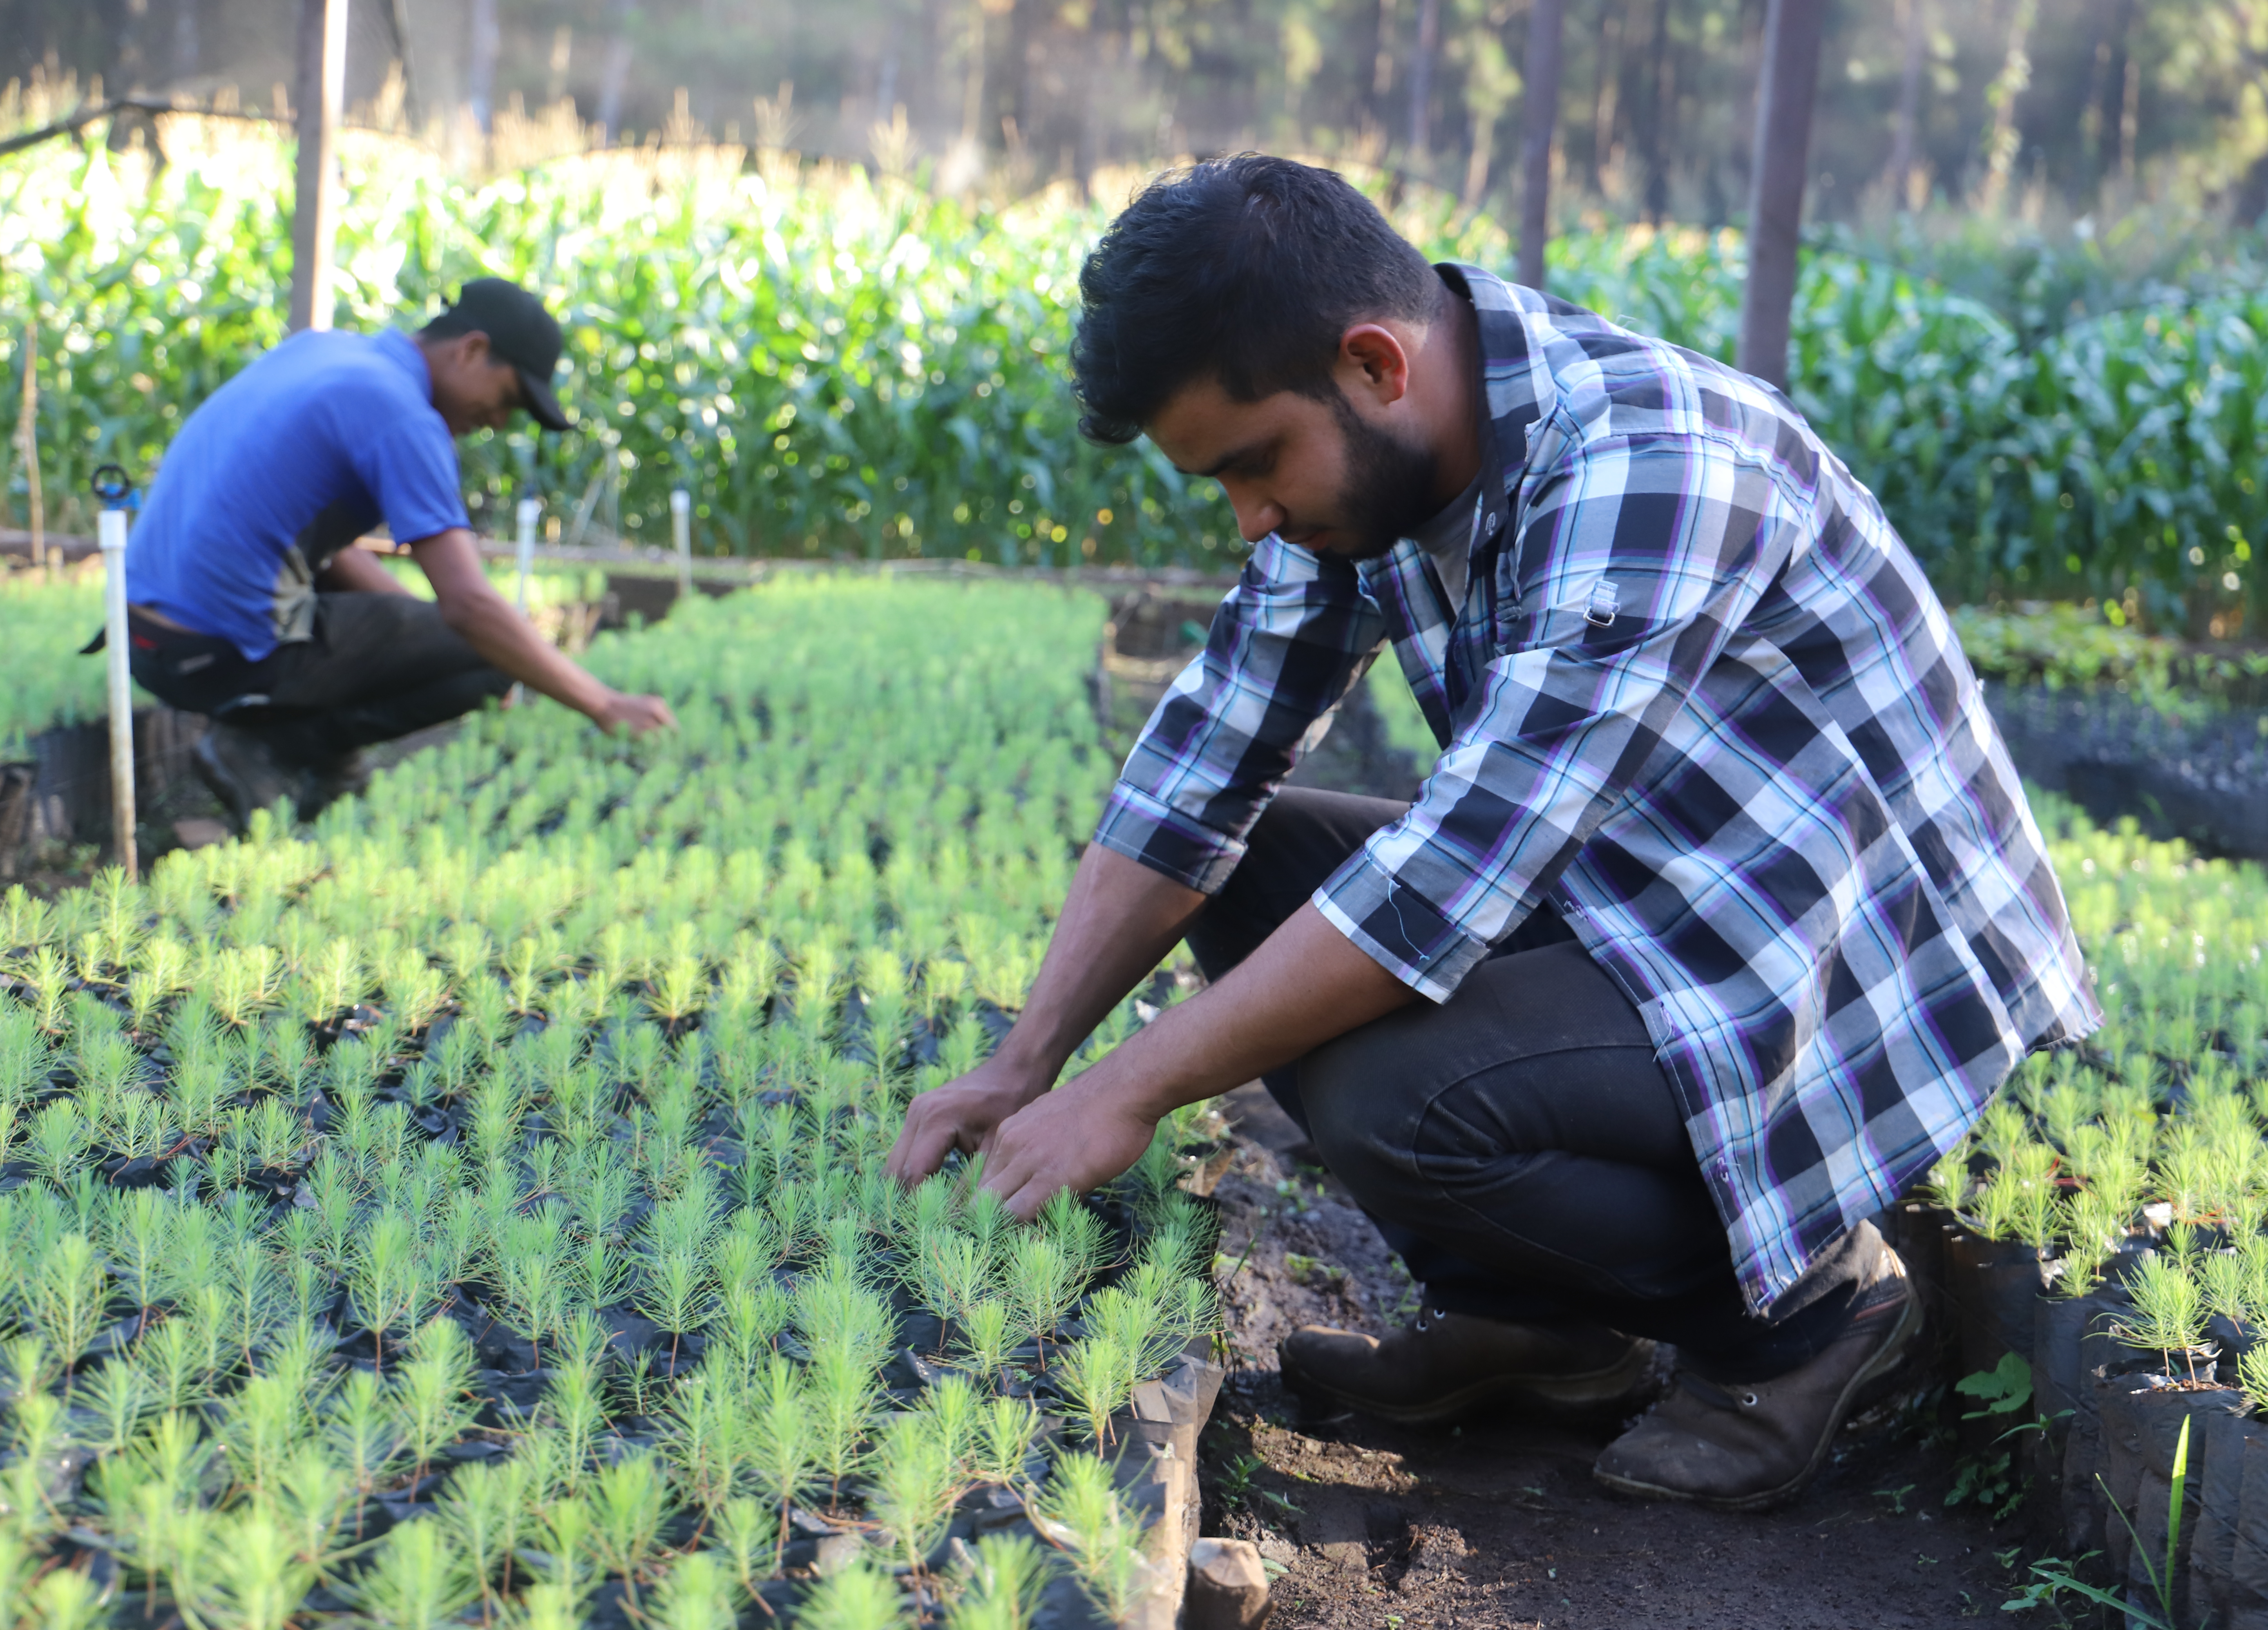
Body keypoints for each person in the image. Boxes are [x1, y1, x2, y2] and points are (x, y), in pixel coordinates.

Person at [885, 156, 2099, 1510]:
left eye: (1252, 464)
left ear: (1373, 365)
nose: (1251, 518)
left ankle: (1814, 1319)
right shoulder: (1378, 464)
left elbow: (1448, 884)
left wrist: (1120, 1094)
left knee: (1401, 1098)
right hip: (1646, 895)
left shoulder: (1645, 464)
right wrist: (1027, 1058)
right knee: (1248, 868)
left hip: (1840, 970)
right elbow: (1197, 775)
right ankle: (1545, 1328)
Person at [121, 277, 675, 822]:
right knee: (487, 653)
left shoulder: (325, 353)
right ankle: (270, 751)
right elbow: (469, 606)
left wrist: (425, 635)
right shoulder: (401, 416)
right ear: (472, 350)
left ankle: (315, 761)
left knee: (470, 643)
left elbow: (324, 551)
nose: (500, 421)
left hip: (146, 639)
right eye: (507, 399)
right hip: (219, 654)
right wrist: (604, 704)